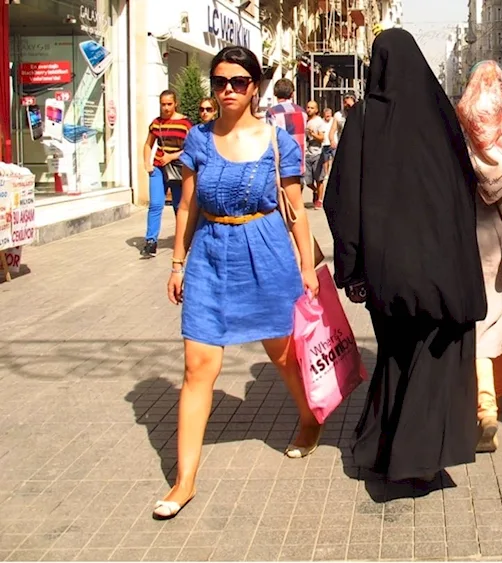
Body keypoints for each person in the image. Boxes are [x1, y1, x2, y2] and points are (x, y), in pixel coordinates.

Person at [155, 46, 321, 520]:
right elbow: (186, 205)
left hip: (266, 252)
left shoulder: (277, 142)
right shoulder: (198, 139)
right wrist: (177, 262)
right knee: (197, 366)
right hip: (209, 253)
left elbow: (295, 212)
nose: (227, 90)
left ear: (255, 87)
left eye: (238, 82)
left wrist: (306, 267)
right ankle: (185, 480)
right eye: (220, 82)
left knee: (283, 351)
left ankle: (309, 419)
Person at [325, 29, 486, 482]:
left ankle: (386, 446)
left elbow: (341, 200)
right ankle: (414, 455)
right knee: (430, 358)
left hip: (385, 269)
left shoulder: (362, 121)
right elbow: (463, 193)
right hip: (442, 268)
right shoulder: (441, 118)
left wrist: (352, 266)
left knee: (395, 354)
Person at [455, 61, 502, 453]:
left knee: (478, 322)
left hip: (471, 244)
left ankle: (483, 404)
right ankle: (496, 397)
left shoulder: (458, 137)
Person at [142, 90, 193, 258]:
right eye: (163, 104)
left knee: (180, 207)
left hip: (178, 169)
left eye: (169, 104)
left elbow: (191, 147)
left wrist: (171, 156)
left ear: (175, 103)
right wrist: (147, 163)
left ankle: (184, 240)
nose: (165, 108)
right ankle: (151, 242)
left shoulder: (185, 123)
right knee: (156, 204)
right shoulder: (156, 123)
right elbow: (148, 144)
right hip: (158, 168)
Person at [265, 78, 307, 164]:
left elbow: (271, 139)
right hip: (299, 161)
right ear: (292, 94)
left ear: (275, 94)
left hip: (282, 161)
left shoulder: (272, 112)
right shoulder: (302, 112)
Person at [303, 100, 326, 207]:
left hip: (317, 153)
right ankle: (315, 191)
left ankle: (319, 201)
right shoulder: (305, 121)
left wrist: (313, 134)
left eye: (312, 108)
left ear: (316, 110)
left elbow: (322, 138)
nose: (309, 109)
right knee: (307, 181)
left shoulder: (319, 122)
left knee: (319, 179)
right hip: (307, 153)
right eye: (308, 107)